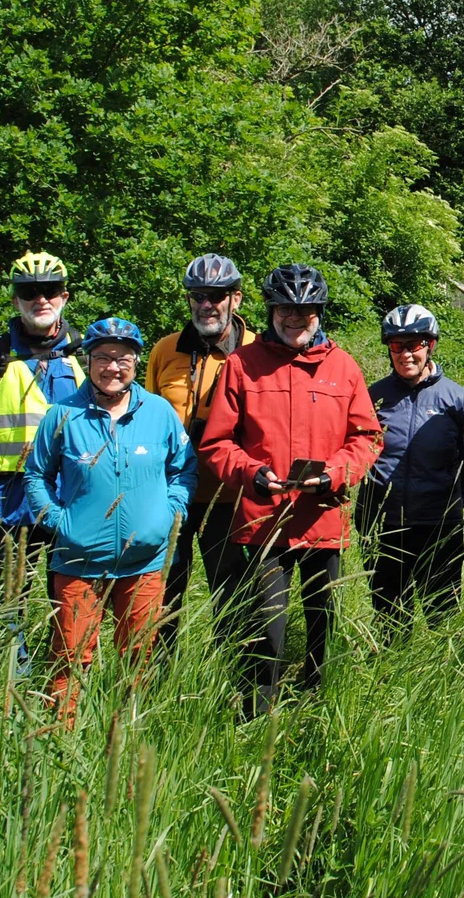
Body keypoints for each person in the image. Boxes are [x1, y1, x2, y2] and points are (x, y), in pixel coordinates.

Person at [200, 263, 381, 711]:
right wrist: (250, 473)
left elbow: (368, 437)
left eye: (305, 310)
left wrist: (336, 472)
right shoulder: (242, 366)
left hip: (323, 521)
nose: (295, 318)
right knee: (268, 637)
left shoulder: (343, 366)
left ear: (319, 312)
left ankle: (318, 718)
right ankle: (259, 723)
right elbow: (217, 442)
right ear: (271, 310)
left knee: (324, 634)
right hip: (265, 525)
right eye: (285, 308)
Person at [23, 318, 194, 726]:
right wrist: (59, 522)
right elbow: (35, 475)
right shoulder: (62, 415)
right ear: (88, 361)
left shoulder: (159, 412)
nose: (112, 367)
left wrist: (170, 512)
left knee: (138, 655)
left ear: (136, 362)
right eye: (102, 357)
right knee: (69, 658)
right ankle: (60, 739)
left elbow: (183, 470)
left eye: (122, 358)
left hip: (145, 560)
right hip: (77, 560)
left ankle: (130, 735)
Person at [0, 251, 84, 671]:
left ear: (64, 296)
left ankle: (65, 679)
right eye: (28, 292)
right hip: (8, 504)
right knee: (6, 603)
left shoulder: (86, 358)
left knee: (70, 601)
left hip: (69, 504)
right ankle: (10, 681)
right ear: (15, 300)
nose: (40, 299)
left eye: (49, 290)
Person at [144, 253, 256, 655]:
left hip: (230, 496)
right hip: (170, 495)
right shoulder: (164, 350)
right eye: (197, 295)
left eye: (216, 295)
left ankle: (235, 683)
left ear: (236, 299)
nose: (206, 304)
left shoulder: (254, 351)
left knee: (232, 596)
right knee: (162, 597)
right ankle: (157, 682)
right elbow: (147, 419)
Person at [358, 304, 464, 628]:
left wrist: (447, 505)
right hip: (384, 527)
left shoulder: (457, 400)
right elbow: (359, 454)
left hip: (438, 530)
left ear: (430, 345)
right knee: (389, 623)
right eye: (397, 346)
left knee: (441, 620)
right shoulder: (375, 397)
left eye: (414, 345)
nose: (405, 354)